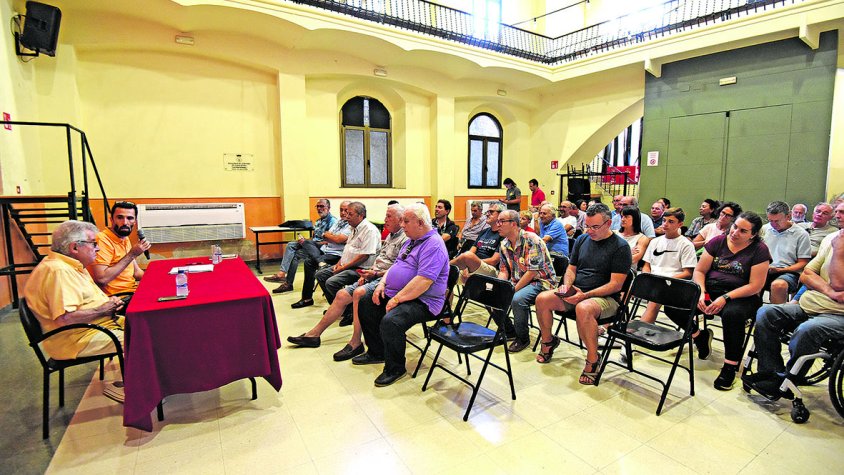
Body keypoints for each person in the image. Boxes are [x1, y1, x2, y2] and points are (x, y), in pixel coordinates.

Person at [744, 201, 844, 397]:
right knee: (765, 313)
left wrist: (839, 251)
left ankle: (789, 378)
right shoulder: (832, 238)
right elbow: (807, 274)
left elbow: (839, 283)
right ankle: (771, 373)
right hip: (812, 303)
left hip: (838, 314)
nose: (837, 215)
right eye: (838, 211)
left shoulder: (835, 242)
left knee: (807, 329)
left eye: (842, 212)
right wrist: (830, 292)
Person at [23, 220, 126, 402]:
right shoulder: (58, 271)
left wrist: (108, 303)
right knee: (141, 340)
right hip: (77, 338)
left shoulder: (72, 265)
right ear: (74, 247)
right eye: (94, 244)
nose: (98, 249)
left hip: (95, 326)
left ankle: (144, 381)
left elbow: (85, 301)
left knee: (147, 324)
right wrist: (103, 309)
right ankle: (132, 390)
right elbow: (65, 319)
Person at [286, 204, 407, 356]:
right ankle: (314, 334)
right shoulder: (389, 235)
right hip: (371, 273)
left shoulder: (400, 237)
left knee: (351, 290)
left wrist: (373, 274)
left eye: (389, 216)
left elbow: (398, 267)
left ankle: (355, 342)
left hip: (375, 274)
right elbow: (374, 257)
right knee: (341, 293)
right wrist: (360, 270)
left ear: (401, 219)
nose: (385, 220)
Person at [353, 203, 450, 387]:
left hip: (425, 301)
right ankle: (376, 352)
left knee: (392, 321)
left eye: (406, 221)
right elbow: (395, 266)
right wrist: (382, 284)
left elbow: (423, 281)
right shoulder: (410, 240)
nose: (402, 225)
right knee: (366, 301)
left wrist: (397, 299)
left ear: (420, 223)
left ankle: (395, 368)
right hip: (402, 293)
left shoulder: (434, 245)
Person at [533, 204, 631, 383]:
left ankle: (593, 359)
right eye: (587, 226)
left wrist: (584, 295)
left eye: (595, 227)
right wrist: (567, 286)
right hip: (578, 291)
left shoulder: (620, 247)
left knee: (584, 308)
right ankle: (548, 341)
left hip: (606, 298)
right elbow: (571, 269)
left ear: (608, 223)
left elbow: (616, 285)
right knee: (542, 299)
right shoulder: (582, 240)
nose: (590, 230)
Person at [693, 211, 771, 390]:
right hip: (711, 290)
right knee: (675, 303)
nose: (735, 232)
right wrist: (702, 293)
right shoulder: (718, 241)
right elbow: (699, 271)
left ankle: (730, 365)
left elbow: (755, 286)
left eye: (743, 231)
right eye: (735, 227)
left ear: (753, 235)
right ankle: (699, 337)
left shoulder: (760, 250)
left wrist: (725, 298)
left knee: (732, 315)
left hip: (742, 295)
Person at [293, 202, 380, 310]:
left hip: (360, 268)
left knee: (331, 282)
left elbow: (364, 256)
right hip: (343, 262)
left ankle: (347, 310)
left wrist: (343, 267)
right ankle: (337, 307)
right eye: (345, 212)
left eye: (350, 214)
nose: (346, 216)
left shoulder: (369, 230)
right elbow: (346, 249)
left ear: (360, 215)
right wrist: (339, 264)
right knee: (320, 274)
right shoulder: (353, 228)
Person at [497, 210, 557, 353]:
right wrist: (500, 287)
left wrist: (512, 290)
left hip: (541, 281)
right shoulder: (504, 243)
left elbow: (533, 272)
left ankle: (522, 338)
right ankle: (510, 331)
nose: (497, 224)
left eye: (501, 221)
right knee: (492, 297)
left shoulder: (532, 239)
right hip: (518, 280)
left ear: (513, 224)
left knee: (517, 299)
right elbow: (504, 269)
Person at [265, 198, 339, 293]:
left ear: (328, 208)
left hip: (322, 248)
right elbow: (314, 238)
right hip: (312, 245)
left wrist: (309, 243)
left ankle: (288, 283)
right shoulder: (318, 221)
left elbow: (330, 242)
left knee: (296, 255)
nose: (319, 208)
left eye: (322, 206)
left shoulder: (333, 221)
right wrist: (305, 241)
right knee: (291, 245)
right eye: (318, 206)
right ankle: (282, 273)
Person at [639, 207, 698, 325]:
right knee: (632, 285)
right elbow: (646, 265)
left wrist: (664, 280)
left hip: (674, 284)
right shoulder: (655, 241)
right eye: (664, 220)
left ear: (680, 224)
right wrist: (647, 276)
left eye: (671, 222)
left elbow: (688, 273)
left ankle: (641, 327)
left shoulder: (686, 245)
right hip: (654, 280)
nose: (665, 224)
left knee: (657, 295)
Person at [288, 202, 353, 307]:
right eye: (341, 210)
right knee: (305, 243)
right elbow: (325, 235)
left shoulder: (351, 225)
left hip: (337, 255)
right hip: (326, 249)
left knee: (309, 261)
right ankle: (320, 263)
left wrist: (331, 237)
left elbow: (339, 239)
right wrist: (331, 237)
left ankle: (309, 298)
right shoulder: (339, 222)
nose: (343, 213)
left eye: (346, 210)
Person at [87, 201, 151, 298]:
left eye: (130, 218)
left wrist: (160, 278)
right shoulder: (102, 239)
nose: (125, 222)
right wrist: (132, 254)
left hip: (133, 291)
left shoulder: (124, 238)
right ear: (111, 220)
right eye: (120, 217)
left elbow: (137, 273)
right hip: (117, 297)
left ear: (135, 221)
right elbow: (101, 279)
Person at [762, 201, 811, 304]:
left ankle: (776, 316)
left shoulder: (801, 234)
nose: (773, 224)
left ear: (788, 216)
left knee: (778, 285)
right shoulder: (765, 229)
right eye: (770, 220)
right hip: (765, 269)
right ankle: (751, 316)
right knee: (749, 282)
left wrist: (780, 270)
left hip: (789, 271)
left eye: (777, 221)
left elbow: (803, 263)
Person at [451, 203, 504, 284]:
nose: (487, 214)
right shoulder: (484, 232)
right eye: (487, 212)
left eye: (491, 212)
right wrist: (467, 266)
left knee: (467, 256)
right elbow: (472, 251)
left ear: (501, 215)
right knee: (446, 278)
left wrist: (471, 262)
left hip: (490, 268)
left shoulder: (502, 234)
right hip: (472, 265)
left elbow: (494, 261)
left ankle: (443, 266)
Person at [615, 206, 650, 271]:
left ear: (635, 218)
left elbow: (633, 259)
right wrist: (628, 253)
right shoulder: (614, 233)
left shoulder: (642, 238)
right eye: (622, 216)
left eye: (626, 217)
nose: (622, 219)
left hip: (628, 272)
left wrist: (614, 253)